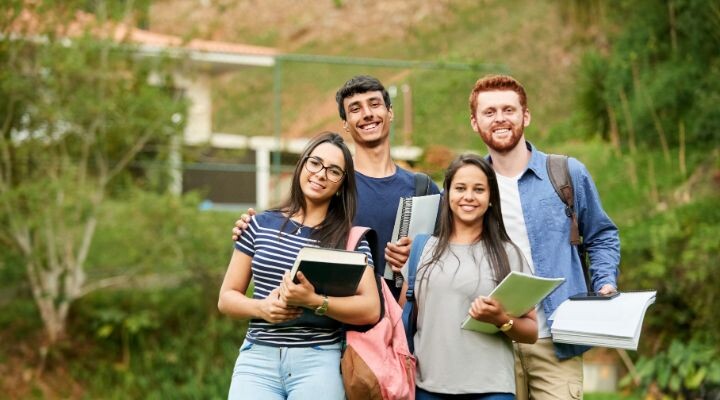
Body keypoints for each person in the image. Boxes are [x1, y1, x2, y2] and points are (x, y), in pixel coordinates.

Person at [468, 74, 620, 400]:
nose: (500, 119)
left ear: (526, 115)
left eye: (508, 109)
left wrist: (605, 281)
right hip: (491, 344)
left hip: (556, 341)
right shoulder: (467, 186)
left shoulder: (566, 173)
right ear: (475, 122)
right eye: (489, 112)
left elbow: (603, 235)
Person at [233, 75, 440, 300]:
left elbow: (451, 250)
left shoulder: (423, 188)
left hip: (404, 324)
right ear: (345, 124)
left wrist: (419, 255)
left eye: (374, 104)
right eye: (355, 109)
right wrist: (253, 228)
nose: (367, 114)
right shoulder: (332, 184)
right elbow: (292, 227)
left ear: (390, 112)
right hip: (339, 325)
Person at [218, 132, 380, 400]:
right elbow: (226, 298)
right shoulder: (259, 224)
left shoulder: (350, 239)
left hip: (319, 362)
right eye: (315, 163)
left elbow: (371, 309)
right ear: (302, 165)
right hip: (257, 359)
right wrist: (262, 308)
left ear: (341, 184)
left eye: (333, 171)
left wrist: (315, 300)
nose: (320, 174)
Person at [401, 154, 538, 399]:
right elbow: (404, 320)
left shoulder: (508, 255)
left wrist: (501, 319)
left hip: (491, 389)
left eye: (479, 189)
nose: (469, 197)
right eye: (460, 188)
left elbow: (531, 332)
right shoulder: (422, 250)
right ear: (447, 194)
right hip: (427, 388)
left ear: (491, 198)